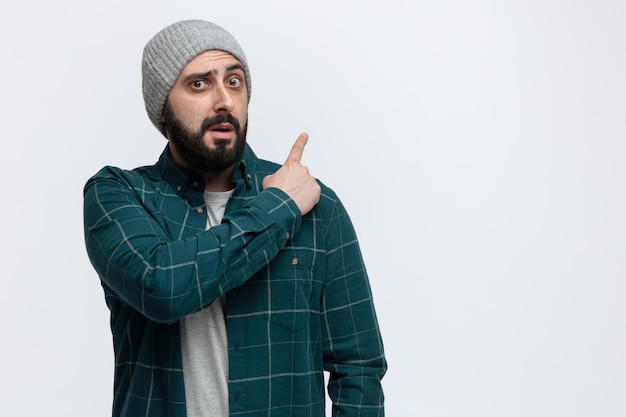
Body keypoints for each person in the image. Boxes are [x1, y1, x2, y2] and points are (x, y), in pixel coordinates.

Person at [83, 19, 386, 417]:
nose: (223, 100)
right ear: (163, 107)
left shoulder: (318, 206)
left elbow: (358, 367)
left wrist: (286, 202)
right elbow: (162, 287)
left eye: (235, 81)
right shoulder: (118, 194)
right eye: (199, 84)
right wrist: (278, 208)